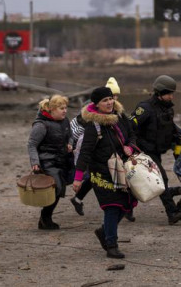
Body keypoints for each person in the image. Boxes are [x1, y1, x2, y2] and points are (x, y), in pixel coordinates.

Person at [73, 86, 137, 259]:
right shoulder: (93, 126)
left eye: (110, 99)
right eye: (105, 100)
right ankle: (111, 244)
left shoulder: (120, 116)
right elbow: (85, 152)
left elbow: (131, 134)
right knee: (112, 206)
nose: (109, 103)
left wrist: (129, 146)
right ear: (96, 104)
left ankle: (104, 231)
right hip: (101, 172)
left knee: (128, 202)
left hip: (122, 169)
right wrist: (78, 178)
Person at [130, 75, 181, 225]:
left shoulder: (166, 108)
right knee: (161, 178)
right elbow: (131, 126)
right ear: (160, 92)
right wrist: (132, 146)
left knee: (142, 181)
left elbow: (170, 126)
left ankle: (126, 208)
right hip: (144, 151)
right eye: (168, 93)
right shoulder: (145, 108)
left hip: (156, 150)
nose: (171, 96)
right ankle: (172, 212)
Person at [69, 77, 125, 218]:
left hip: (109, 158)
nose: (113, 100)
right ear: (99, 102)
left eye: (114, 97)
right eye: (109, 98)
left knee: (93, 179)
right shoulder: (92, 118)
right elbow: (85, 148)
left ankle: (77, 198)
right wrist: (77, 176)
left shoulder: (117, 113)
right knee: (93, 178)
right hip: (92, 152)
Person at [28, 94, 73, 230]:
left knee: (60, 188)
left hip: (62, 160)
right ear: (52, 109)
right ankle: (45, 218)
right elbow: (31, 144)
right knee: (57, 188)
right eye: (61, 108)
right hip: (47, 161)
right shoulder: (41, 125)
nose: (64, 111)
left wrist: (70, 144)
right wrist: (35, 162)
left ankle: (45, 218)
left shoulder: (65, 121)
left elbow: (70, 135)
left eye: (65, 108)